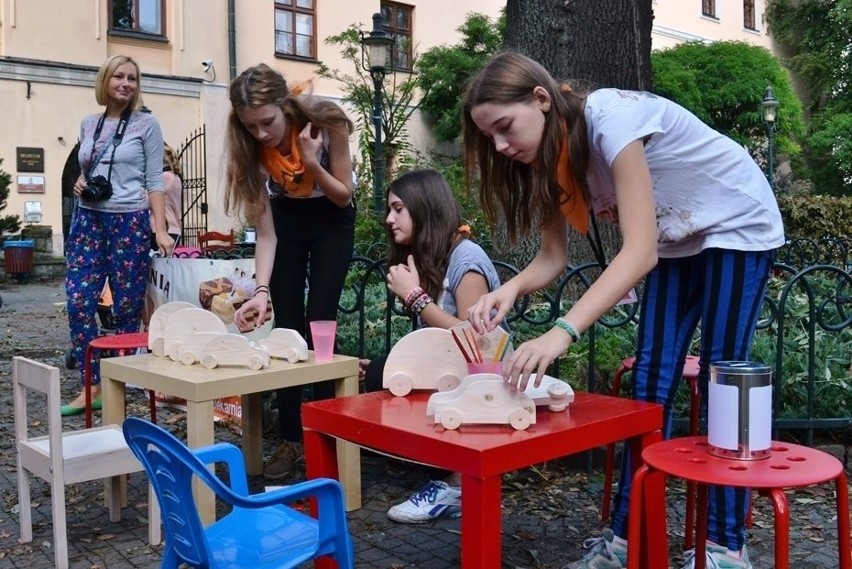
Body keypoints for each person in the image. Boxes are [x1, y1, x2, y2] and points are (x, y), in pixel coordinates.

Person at [462, 52, 783, 569]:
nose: (500, 146)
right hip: (678, 237)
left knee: (726, 377)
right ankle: (627, 540)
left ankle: (725, 548)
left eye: (504, 127)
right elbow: (552, 257)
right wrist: (512, 289)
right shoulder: (550, 160)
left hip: (737, 220)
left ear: (541, 100)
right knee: (650, 384)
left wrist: (562, 331)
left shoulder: (611, 118)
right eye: (490, 138)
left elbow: (639, 252)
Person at [225, 63, 356, 480]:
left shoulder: (326, 120)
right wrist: (260, 291)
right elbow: (266, 234)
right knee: (287, 329)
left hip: (332, 217)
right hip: (287, 220)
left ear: (286, 105)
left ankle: (326, 435)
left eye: (267, 122)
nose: (261, 134)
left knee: (320, 322)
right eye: (251, 126)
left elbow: (343, 196)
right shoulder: (251, 151)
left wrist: (314, 164)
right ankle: (290, 438)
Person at [361, 168, 505, 523]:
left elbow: (478, 343)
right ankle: (438, 465)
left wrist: (416, 297)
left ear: (424, 208)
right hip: (451, 374)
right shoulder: (436, 255)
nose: (388, 219)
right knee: (380, 370)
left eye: (398, 208)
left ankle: (457, 486)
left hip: (486, 381)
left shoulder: (466, 260)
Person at [62, 55, 174, 415]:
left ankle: (118, 384)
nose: (126, 83)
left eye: (132, 78)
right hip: (88, 221)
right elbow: (85, 168)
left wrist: (159, 229)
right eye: (119, 77)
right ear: (105, 80)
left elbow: (154, 181)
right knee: (79, 301)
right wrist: (80, 183)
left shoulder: (146, 124)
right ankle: (90, 383)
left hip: (129, 222)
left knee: (126, 309)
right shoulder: (87, 123)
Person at [150, 143, 182, 250]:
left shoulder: (164, 177)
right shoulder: (175, 177)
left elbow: (146, 200)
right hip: (174, 228)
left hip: (163, 229)